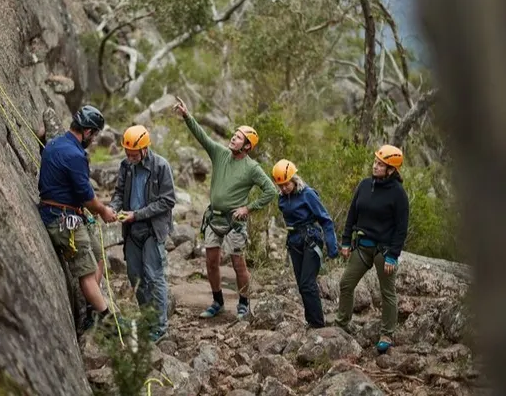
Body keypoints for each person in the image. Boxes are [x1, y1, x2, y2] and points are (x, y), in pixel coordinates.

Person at [173, 97, 278, 320]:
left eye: (239, 137)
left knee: (238, 264)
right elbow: (202, 137)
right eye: (235, 134)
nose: (233, 138)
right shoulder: (220, 153)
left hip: (235, 223)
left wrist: (248, 208)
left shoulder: (252, 168)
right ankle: (217, 302)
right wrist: (187, 116)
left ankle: (243, 303)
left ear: (247, 146)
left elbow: (271, 190)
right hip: (214, 218)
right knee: (211, 262)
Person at [38, 105, 118, 330]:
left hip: (67, 213)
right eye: (94, 136)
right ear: (88, 131)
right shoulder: (75, 155)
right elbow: (88, 198)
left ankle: (92, 307)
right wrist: (104, 211)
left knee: (97, 254)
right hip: (61, 218)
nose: (93, 140)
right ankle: (106, 321)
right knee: (86, 271)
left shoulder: (54, 143)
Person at [335, 144, 410, 353]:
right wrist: (346, 241)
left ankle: (387, 333)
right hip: (362, 247)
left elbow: (401, 229)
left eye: (380, 164)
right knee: (346, 284)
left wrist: (393, 256)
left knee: (387, 292)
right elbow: (352, 214)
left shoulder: (398, 194)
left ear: (391, 170)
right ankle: (342, 323)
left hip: (383, 252)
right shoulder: (364, 185)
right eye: (375, 162)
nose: (375, 166)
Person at [109, 125, 176, 343]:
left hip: (152, 229)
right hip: (132, 230)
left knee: (154, 277)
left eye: (134, 154)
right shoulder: (126, 166)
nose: (130, 158)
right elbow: (119, 193)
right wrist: (113, 208)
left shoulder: (161, 166)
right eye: (127, 154)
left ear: (144, 149)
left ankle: (160, 326)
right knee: (135, 277)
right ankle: (148, 319)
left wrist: (136, 215)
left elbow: (167, 201)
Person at [272, 159, 339, 329]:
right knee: (302, 285)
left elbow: (325, 220)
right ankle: (311, 321)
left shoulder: (308, 194)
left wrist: (332, 247)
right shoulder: (282, 197)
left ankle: (318, 324)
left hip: (310, 239)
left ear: (294, 179)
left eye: (286, 184)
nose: (283, 188)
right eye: (280, 185)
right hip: (294, 241)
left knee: (307, 283)